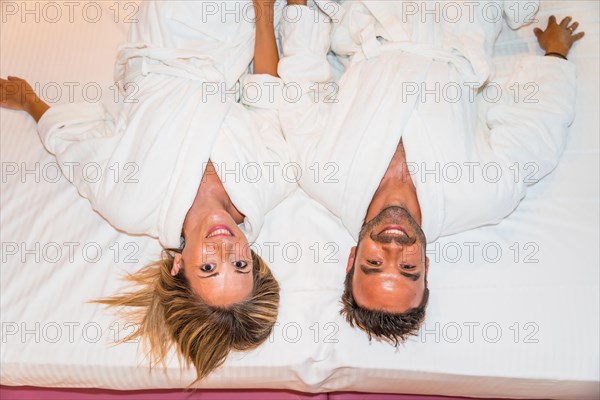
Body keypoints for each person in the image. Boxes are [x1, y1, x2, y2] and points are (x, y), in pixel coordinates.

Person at [0, 0, 295, 382]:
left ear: (178, 267)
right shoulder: (269, 182)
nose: (224, 248)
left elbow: (71, 141)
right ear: (254, 260)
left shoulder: (130, 203)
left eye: (208, 268)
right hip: (232, 46)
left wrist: (30, 101)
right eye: (239, 264)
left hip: (165, 39)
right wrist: (264, 13)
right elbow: (265, 96)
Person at [266, 0, 584, 344]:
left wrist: (298, 8)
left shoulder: (320, 175)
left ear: (352, 259)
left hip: (375, 17)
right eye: (407, 268)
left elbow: (302, 87)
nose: (393, 247)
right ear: (426, 268)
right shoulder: (482, 197)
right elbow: (535, 133)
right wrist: (555, 56)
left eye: (373, 264)